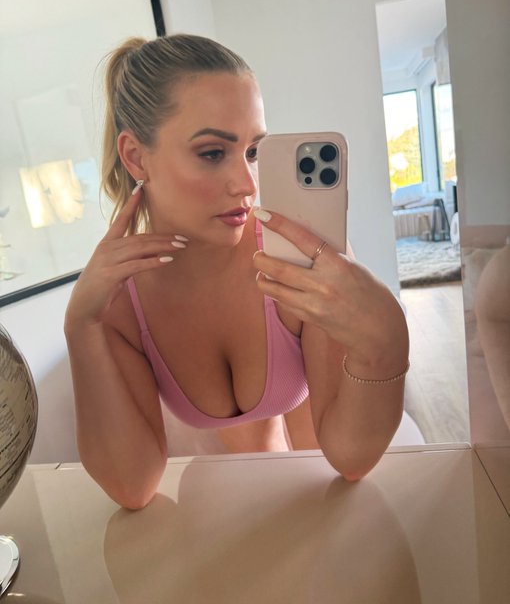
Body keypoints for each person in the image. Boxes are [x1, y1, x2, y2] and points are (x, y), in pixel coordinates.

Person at [64, 34, 409, 510]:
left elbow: (349, 460)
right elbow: (132, 488)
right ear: (136, 156)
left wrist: (386, 345)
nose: (247, 185)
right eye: (212, 153)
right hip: (221, 502)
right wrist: (80, 326)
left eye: (253, 151)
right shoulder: (118, 301)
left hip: (315, 477)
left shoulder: (298, 260)